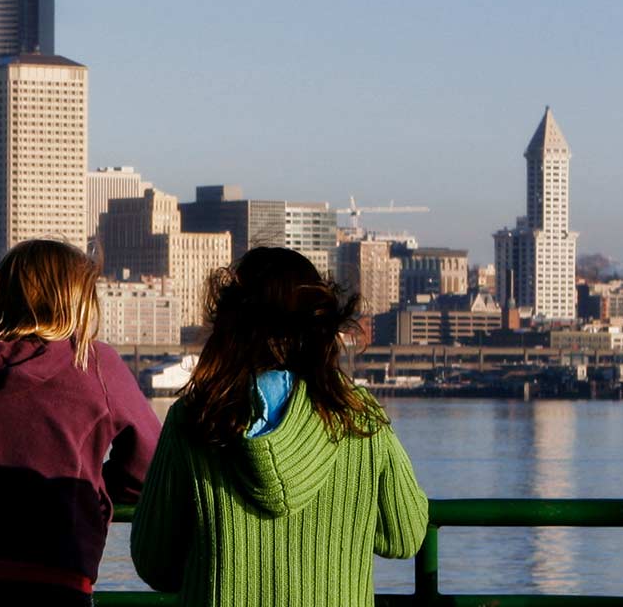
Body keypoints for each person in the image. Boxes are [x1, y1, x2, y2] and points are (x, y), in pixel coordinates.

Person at [131, 247, 429, 606]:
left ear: (231, 324)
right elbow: (405, 535)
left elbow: (155, 564)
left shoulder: (194, 418)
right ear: (320, 326)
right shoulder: (359, 417)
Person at [0, 239, 160, 606]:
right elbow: (150, 466)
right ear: (74, 302)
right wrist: (90, 489)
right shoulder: (95, 364)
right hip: (61, 571)